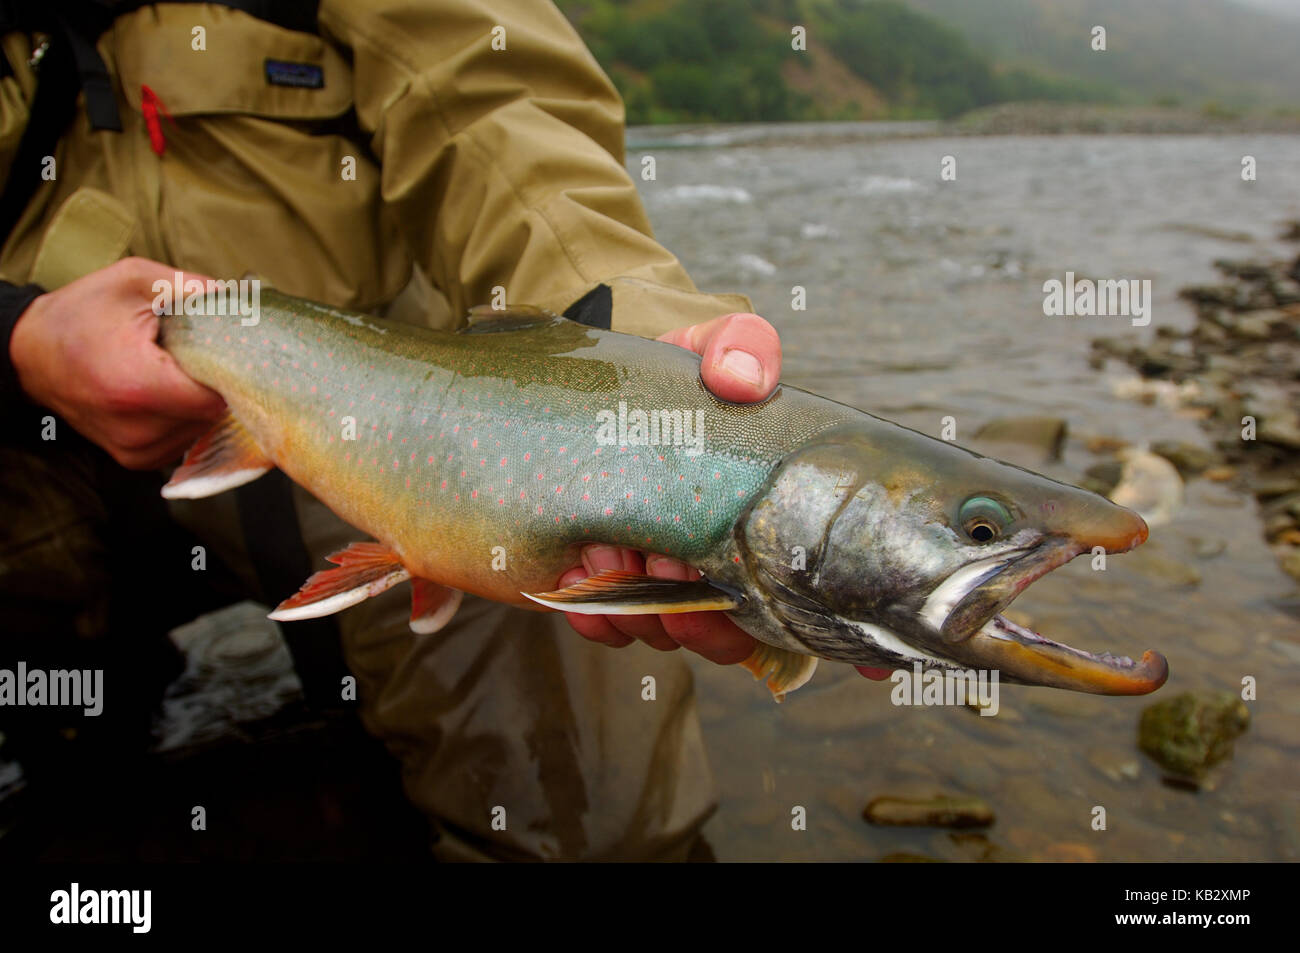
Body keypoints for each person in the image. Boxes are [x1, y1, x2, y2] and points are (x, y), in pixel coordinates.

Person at [0, 0, 872, 861]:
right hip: (21, 436)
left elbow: (501, 107)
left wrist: (626, 332)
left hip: (380, 420)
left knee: (589, 807)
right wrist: (15, 334)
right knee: (77, 750)